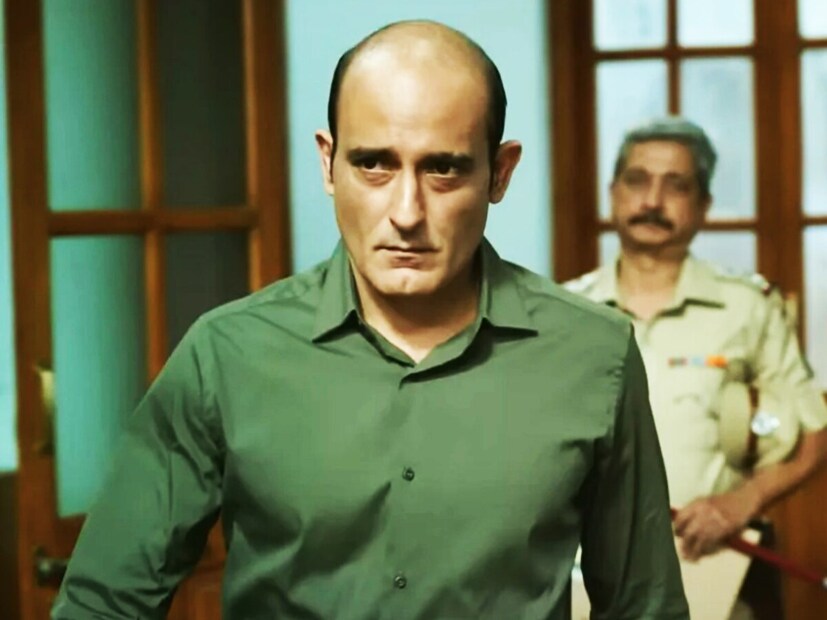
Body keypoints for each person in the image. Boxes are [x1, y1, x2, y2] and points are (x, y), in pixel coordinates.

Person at [53, 22, 688, 619]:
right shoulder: (226, 354)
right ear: (328, 163)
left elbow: (647, 608)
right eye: (374, 164)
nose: (406, 213)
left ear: (499, 173)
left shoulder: (593, 355)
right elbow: (102, 603)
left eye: (443, 168)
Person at [566, 116, 827, 618]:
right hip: (590, 573)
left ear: (703, 204)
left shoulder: (747, 308)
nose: (652, 200)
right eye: (637, 180)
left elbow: (812, 435)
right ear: (613, 192)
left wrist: (740, 504)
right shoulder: (567, 310)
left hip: (714, 568)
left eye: (676, 185)